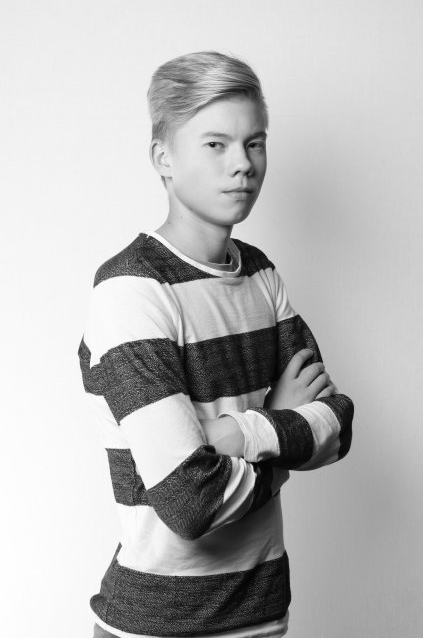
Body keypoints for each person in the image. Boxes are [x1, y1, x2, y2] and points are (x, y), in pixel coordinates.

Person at [78, 50, 354, 638]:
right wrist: (278, 429)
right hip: (157, 626)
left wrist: (232, 436)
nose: (243, 165)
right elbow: (189, 503)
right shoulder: (131, 291)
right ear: (163, 158)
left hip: (262, 615)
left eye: (255, 143)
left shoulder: (260, 274)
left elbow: (338, 424)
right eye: (215, 144)